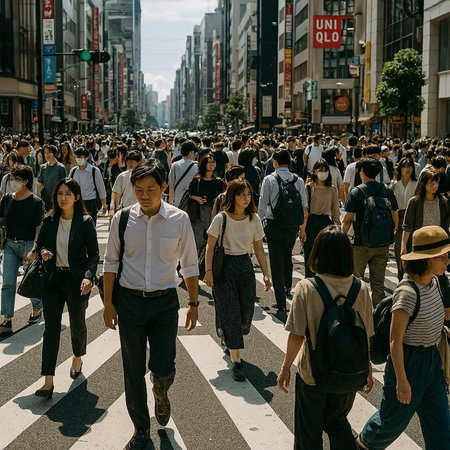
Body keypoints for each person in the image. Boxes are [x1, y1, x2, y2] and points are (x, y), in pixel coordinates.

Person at [103, 159, 200, 450]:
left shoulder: (179, 219)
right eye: (138, 189)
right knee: (132, 370)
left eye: (150, 189)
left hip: (164, 304)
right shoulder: (122, 219)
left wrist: (194, 303)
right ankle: (140, 429)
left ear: (163, 187)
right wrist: (108, 303)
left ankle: (161, 389)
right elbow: (110, 262)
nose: (144, 196)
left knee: (164, 365)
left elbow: (190, 265)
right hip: (129, 302)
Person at [277, 225, 374, 450]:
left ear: (317, 254)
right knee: (337, 422)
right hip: (348, 372)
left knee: (308, 432)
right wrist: (367, 369)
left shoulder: (306, 288)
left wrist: (285, 367)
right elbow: (366, 335)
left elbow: (296, 335)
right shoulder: (361, 289)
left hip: (313, 374)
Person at [357, 226, 450, 450]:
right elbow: (395, 341)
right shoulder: (407, 293)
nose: (448, 261)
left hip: (431, 359)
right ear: (428, 259)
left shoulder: (435, 282)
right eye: (444, 257)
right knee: (390, 422)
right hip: (409, 362)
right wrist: (402, 380)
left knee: (441, 425)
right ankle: (363, 444)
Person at [29, 178, 99, 398]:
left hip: (76, 281)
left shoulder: (86, 222)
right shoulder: (49, 220)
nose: (63, 197)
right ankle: (48, 380)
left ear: (76, 197)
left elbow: (94, 255)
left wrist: (89, 277)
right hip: (52, 280)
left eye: (68, 193)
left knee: (77, 323)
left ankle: (77, 356)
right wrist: (43, 253)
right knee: (51, 329)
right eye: (60, 193)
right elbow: (40, 245)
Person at [204, 179, 271, 381]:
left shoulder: (254, 219)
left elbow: (258, 247)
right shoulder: (221, 218)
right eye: (241, 194)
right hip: (224, 267)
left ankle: (227, 332)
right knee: (231, 311)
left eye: (249, 194)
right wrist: (208, 271)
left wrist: (266, 274)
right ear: (231, 196)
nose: (246, 198)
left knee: (245, 313)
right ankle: (236, 361)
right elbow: (210, 245)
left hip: (244, 265)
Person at [342, 158, 399, 306]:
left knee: (354, 282)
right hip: (383, 243)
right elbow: (395, 214)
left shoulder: (357, 192)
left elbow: (347, 220)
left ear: (361, 171)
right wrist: (392, 230)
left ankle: (354, 315)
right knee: (378, 284)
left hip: (361, 243)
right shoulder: (386, 190)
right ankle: (378, 318)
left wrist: (342, 237)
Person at [258, 149, 308, 309]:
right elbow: (304, 207)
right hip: (292, 225)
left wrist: (257, 227)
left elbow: (262, 205)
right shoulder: (298, 180)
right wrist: (302, 229)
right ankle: (288, 286)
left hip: (273, 224)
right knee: (287, 255)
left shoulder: (269, 179)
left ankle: (280, 300)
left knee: (276, 260)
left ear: (274, 162)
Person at [0, 165, 44, 335]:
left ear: (25, 181)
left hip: (28, 246)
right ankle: (7, 318)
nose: (12, 182)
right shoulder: (6, 199)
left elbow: (39, 228)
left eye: (16, 179)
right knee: (8, 283)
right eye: (11, 178)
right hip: (10, 244)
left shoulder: (36, 202)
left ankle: (37, 308)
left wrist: (34, 248)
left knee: (30, 281)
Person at [303, 159, 341, 277]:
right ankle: (309, 279)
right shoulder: (308, 187)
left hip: (326, 222)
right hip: (311, 221)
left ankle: (324, 280)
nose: (323, 173)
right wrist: (302, 229)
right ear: (314, 171)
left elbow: (335, 210)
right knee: (310, 254)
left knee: (325, 254)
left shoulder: (332, 189)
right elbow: (304, 210)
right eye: (320, 170)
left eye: (325, 171)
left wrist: (338, 226)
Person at [402, 169, 450, 255]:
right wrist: (403, 246)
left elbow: (447, 225)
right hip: (420, 244)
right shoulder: (414, 202)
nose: (434, 185)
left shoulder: (443, 201)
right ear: (424, 183)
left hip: (438, 244)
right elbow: (407, 226)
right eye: (430, 182)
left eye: (436, 182)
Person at [187, 153, 225, 254]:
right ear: (204, 164)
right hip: (198, 215)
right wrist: (197, 199)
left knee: (212, 243)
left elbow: (224, 198)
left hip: (214, 215)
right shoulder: (197, 180)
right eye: (209, 162)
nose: (212, 164)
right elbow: (189, 195)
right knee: (197, 243)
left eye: (213, 162)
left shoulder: (219, 182)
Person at [391, 157, 418, 281]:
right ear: (399, 169)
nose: (407, 169)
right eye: (404, 166)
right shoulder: (394, 184)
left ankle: (411, 277)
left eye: (409, 166)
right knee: (399, 250)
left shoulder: (416, 184)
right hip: (398, 217)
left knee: (412, 248)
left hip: (413, 217)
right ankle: (401, 276)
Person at [69, 147, 107, 225]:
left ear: (86, 158)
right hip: (76, 203)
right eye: (77, 157)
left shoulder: (94, 171)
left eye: (80, 157)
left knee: (90, 226)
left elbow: (101, 188)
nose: (78, 159)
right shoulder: (73, 171)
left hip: (90, 202)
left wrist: (104, 205)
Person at [109, 150, 143, 218]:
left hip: (125, 208)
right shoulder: (143, 175)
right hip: (140, 207)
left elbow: (117, 193)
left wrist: (116, 207)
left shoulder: (122, 175)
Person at [168, 140, 198, 207]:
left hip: (177, 198)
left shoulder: (175, 165)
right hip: (192, 199)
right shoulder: (197, 166)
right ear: (191, 152)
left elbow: (171, 185)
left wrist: (170, 201)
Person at [37, 145, 67, 211]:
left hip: (57, 198)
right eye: (45, 153)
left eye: (49, 152)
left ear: (54, 153)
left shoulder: (61, 167)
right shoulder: (43, 167)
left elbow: (64, 184)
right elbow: (39, 182)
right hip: (45, 197)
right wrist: (37, 195)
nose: (47, 155)